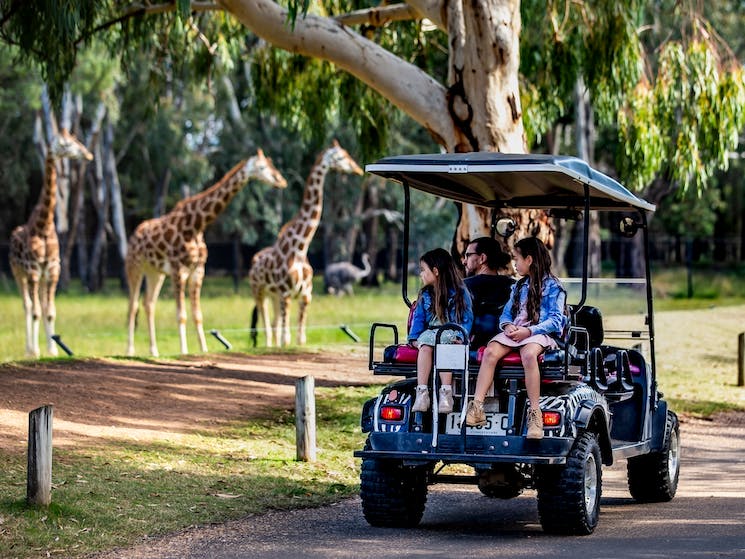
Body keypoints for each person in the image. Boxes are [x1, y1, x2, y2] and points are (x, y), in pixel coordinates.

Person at [465, 237, 567, 439]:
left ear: (529, 259)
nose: (515, 264)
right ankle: (477, 407)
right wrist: (507, 325)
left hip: (539, 333)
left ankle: (535, 415)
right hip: (516, 332)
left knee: (529, 355)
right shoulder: (519, 286)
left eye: (517, 259)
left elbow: (556, 321)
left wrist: (529, 332)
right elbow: (506, 313)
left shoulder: (554, 287)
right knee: (491, 351)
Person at [409, 248, 473, 414]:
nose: (421, 274)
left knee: (445, 346)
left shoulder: (459, 292)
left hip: (451, 332)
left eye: (423, 270)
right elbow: (419, 319)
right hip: (431, 332)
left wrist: (462, 335)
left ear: (436, 271)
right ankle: (422, 392)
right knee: (425, 347)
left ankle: (446, 393)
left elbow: (466, 318)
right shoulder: (425, 294)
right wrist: (414, 338)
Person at [462, 237, 515, 349]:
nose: (464, 261)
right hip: (506, 343)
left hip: (471, 346)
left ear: (482, 258)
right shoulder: (514, 286)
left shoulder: (462, 286)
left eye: (468, 255)